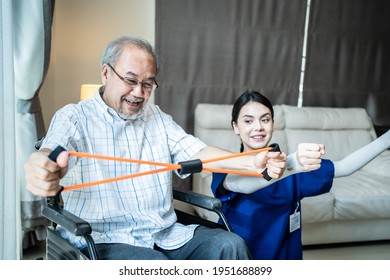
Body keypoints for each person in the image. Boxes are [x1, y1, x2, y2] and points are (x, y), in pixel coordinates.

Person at [23, 36, 287, 260]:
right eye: (130, 80)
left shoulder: (157, 118)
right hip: (102, 239)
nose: (139, 93)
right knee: (155, 264)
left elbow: (198, 153)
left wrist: (252, 162)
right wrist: (43, 168)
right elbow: (49, 154)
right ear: (106, 73)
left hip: (165, 234)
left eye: (148, 84)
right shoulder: (74, 117)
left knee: (231, 246)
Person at [211, 90, 390, 260]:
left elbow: (344, 167)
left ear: (273, 123)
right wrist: (292, 164)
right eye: (248, 121)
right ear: (235, 127)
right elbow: (241, 185)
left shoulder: (295, 168)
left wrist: (386, 138)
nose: (258, 127)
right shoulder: (225, 165)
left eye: (265, 120)